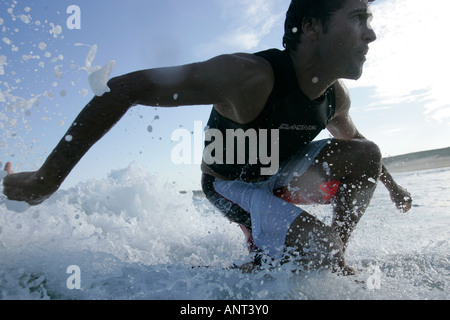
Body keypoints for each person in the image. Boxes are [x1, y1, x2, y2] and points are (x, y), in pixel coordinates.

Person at [2, 0, 412, 274]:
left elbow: (361, 149)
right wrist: (45, 180)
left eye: (370, 20)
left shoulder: (333, 95)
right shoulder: (246, 76)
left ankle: (329, 258)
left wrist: (393, 187)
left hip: (281, 174)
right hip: (228, 184)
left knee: (362, 156)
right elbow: (124, 89)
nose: (370, 34)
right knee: (315, 250)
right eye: (358, 18)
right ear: (310, 27)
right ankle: (290, 256)